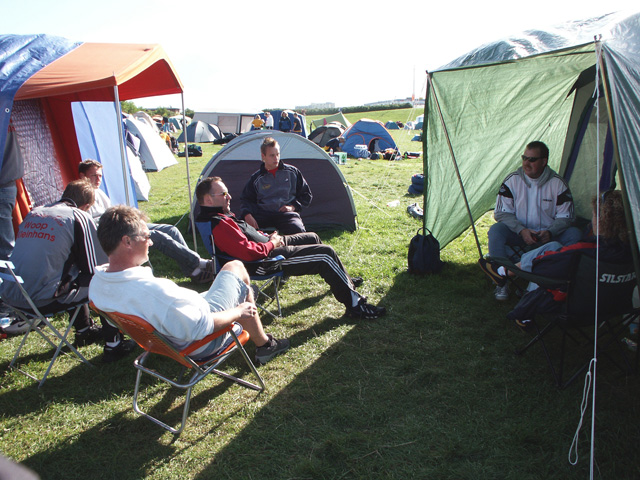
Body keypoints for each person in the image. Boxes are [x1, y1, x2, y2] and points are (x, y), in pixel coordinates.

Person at [89, 205, 290, 365]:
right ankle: (265, 345)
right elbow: (201, 327)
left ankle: (246, 300)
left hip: (169, 333)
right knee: (235, 267)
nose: (150, 243)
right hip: (200, 344)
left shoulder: (98, 282)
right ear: (127, 242)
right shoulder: (153, 292)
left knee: (234, 285)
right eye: (147, 236)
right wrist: (238, 311)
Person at [195, 176, 386, 319]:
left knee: (312, 237)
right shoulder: (218, 224)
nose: (229, 197)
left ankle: (345, 282)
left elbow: (246, 238)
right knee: (325, 254)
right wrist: (272, 243)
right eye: (224, 194)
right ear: (209, 200)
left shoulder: (220, 217)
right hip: (264, 262)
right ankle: (356, 305)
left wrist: (267, 237)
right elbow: (248, 253)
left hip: (266, 246)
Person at [0, 179, 135, 360]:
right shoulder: (77, 216)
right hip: (40, 299)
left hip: (12, 294)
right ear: (86, 206)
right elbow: (95, 266)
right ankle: (114, 345)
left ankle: (84, 330)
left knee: (69, 275)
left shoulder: (36, 212)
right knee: (104, 281)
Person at [496, 191, 633, 328]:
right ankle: (505, 272)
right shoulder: (634, 253)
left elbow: (540, 267)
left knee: (551, 253)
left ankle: (505, 273)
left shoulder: (583, 251)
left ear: (600, 221)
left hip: (573, 310)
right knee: (554, 248)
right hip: (615, 309)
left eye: (593, 216)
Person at [79, 160, 213, 283]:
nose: (98, 179)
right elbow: (94, 226)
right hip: (114, 233)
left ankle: (192, 270)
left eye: (100, 176)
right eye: (94, 176)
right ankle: (198, 264)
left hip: (122, 225)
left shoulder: (99, 192)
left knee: (171, 230)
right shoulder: (82, 195)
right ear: (82, 176)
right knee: (156, 236)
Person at [485, 141, 581, 301]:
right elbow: (501, 213)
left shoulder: (558, 184)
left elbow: (567, 217)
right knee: (496, 230)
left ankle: (558, 283)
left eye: (532, 160)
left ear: (544, 161)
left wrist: (550, 232)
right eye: (524, 158)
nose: (526, 163)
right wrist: (521, 230)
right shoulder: (512, 180)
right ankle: (501, 279)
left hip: (548, 237)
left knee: (574, 234)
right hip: (519, 234)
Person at [240, 137, 312, 234]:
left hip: (286, 214)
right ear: (263, 156)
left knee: (298, 231)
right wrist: (247, 215)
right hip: (263, 214)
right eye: (272, 155)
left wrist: (293, 207)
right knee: (242, 228)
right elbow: (246, 199)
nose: (276, 158)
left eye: (278, 154)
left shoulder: (292, 172)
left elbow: (306, 195)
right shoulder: (256, 178)